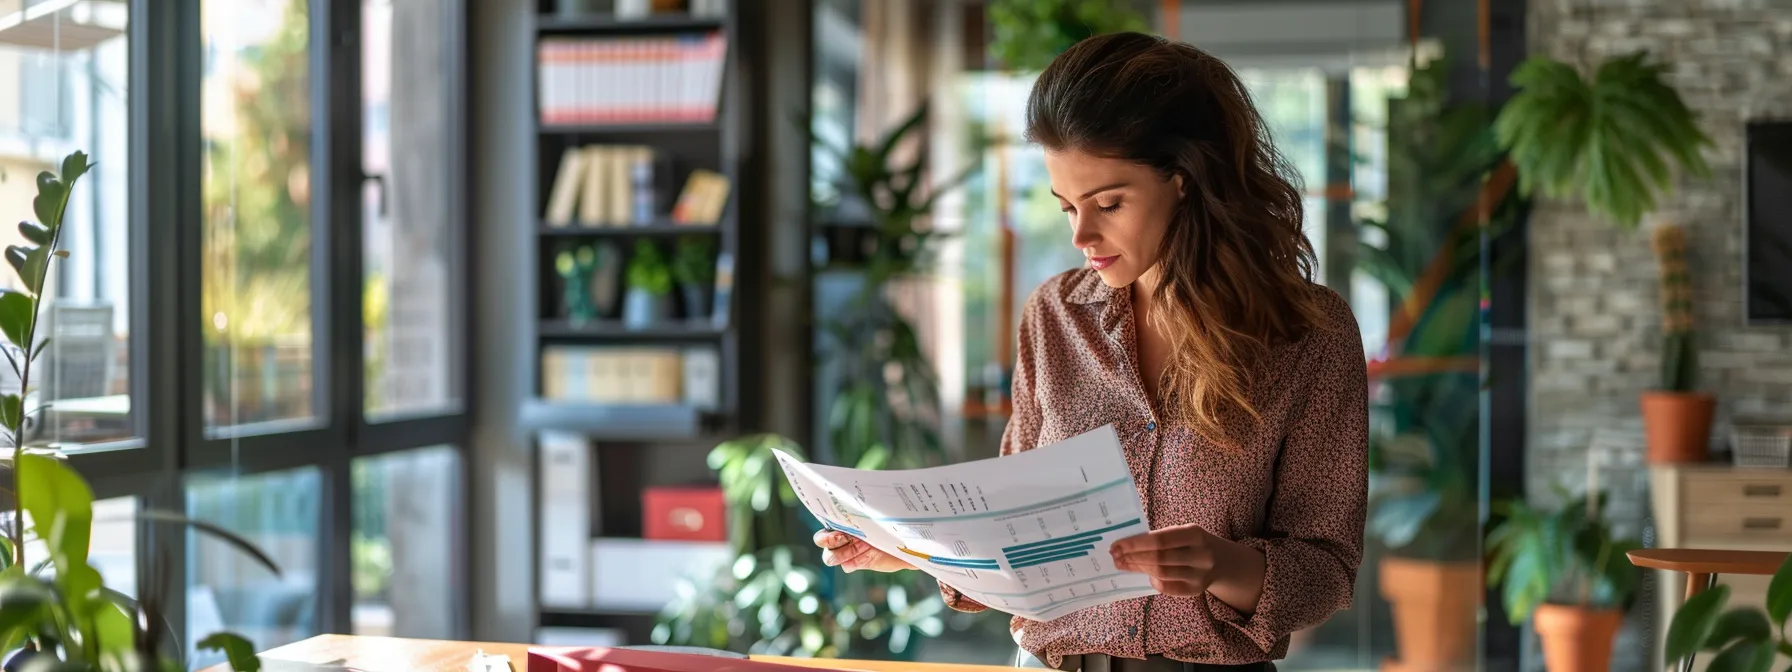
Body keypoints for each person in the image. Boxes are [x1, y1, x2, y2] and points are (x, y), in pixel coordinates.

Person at [811, 31, 1368, 672]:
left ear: (1186, 181)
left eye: (1109, 203)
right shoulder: (1054, 315)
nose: (1081, 233)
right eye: (1067, 205)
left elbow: (1326, 567)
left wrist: (1223, 564)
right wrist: (913, 548)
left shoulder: (1309, 334)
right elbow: (1013, 524)